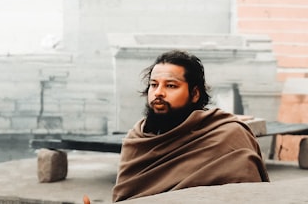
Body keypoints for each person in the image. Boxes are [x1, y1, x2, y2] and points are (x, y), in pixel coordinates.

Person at [111, 49, 269, 201]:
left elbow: (247, 196)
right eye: (154, 85)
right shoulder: (137, 140)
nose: (158, 93)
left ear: (194, 94)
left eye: (171, 85)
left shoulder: (228, 136)